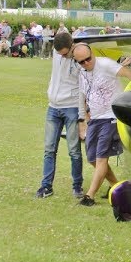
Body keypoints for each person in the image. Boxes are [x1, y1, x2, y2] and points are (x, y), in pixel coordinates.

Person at [73, 42, 131, 206]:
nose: (86, 63)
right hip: (94, 119)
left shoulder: (106, 64)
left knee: (101, 158)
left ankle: (89, 196)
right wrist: (83, 119)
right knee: (92, 158)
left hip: (112, 117)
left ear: (92, 53)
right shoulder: (82, 73)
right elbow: (82, 96)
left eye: (88, 59)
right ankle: (116, 186)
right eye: (81, 62)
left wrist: (130, 101)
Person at [36, 32, 84, 199]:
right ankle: (46, 186)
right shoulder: (57, 53)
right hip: (53, 107)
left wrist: (83, 115)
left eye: (65, 53)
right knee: (49, 149)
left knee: (74, 151)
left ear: (72, 46)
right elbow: (66, 35)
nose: (62, 56)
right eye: (59, 53)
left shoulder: (80, 58)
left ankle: (77, 186)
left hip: (71, 108)